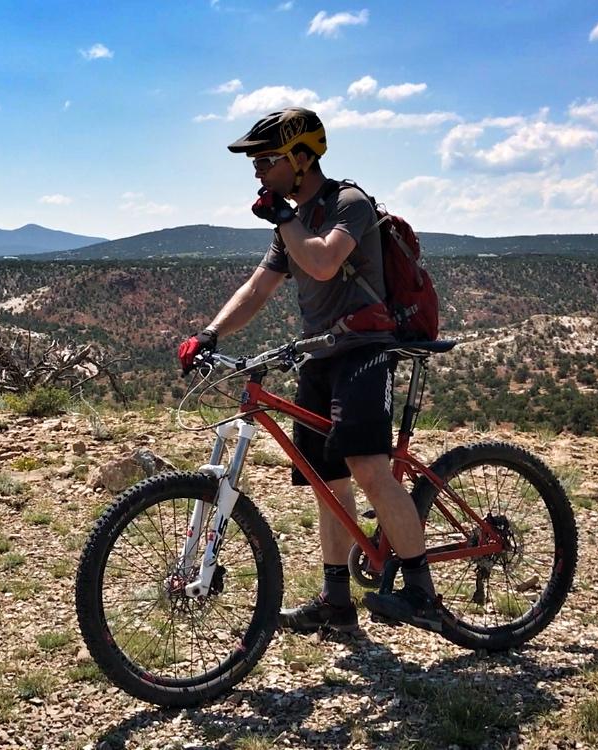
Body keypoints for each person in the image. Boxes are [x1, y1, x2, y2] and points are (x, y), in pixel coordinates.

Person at [176, 107, 440, 635]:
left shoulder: (349, 203)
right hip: (320, 355)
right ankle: (336, 604)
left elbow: (322, 261)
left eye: (266, 159)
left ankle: (421, 594)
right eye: (256, 161)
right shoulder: (290, 225)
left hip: (366, 349)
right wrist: (210, 333)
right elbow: (257, 288)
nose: (257, 170)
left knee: (368, 469)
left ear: (300, 159)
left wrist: (284, 218)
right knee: (326, 481)